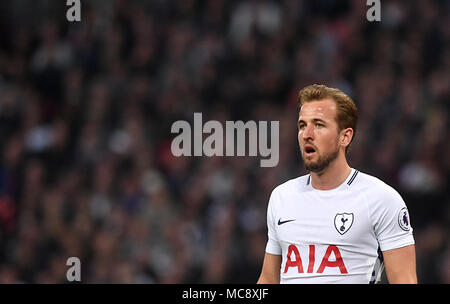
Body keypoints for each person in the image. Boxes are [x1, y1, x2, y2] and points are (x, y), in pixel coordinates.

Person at [257, 84, 417, 284]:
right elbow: (268, 279)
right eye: (302, 125)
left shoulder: (381, 199)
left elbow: (404, 280)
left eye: (319, 125)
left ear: (345, 136)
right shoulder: (281, 197)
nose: (307, 134)